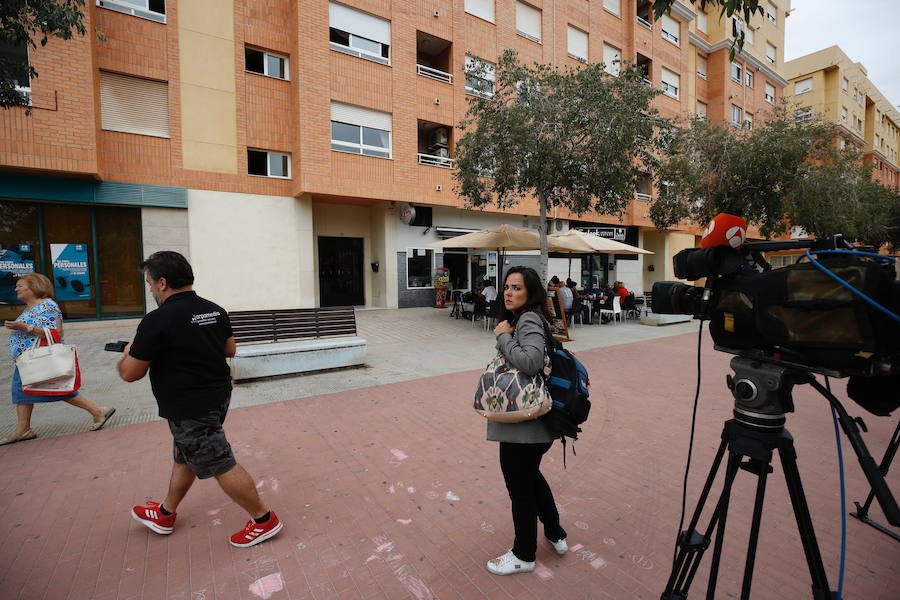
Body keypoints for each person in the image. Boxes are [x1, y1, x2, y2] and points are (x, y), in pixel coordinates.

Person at [118, 251, 282, 547]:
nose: (151, 290)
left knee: (220, 462)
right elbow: (229, 350)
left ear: (162, 283)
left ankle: (263, 519)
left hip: (188, 405)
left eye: (150, 284)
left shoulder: (157, 320)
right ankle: (165, 513)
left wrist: (131, 350)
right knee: (187, 456)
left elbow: (130, 374)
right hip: (217, 396)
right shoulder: (215, 310)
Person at [486, 266, 567, 575]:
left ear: (530, 293)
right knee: (531, 477)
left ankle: (523, 554)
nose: (508, 292)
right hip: (533, 422)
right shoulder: (526, 318)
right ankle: (556, 533)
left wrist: (504, 337)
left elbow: (531, 363)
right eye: (507, 287)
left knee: (519, 487)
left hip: (524, 423)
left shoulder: (528, 320)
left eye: (516, 288)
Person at [2, 274, 115, 445]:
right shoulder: (31, 308)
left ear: (34, 287)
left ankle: (98, 411)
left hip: (39, 358)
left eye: (20, 286)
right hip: (26, 359)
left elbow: (56, 334)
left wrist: (24, 326)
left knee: (57, 389)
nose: (16, 289)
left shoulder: (47, 306)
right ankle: (23, 429)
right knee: (22, 393)